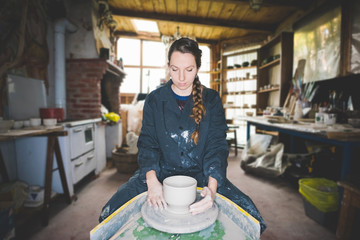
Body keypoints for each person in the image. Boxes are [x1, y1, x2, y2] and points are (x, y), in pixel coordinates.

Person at [99, 37, 266, 233]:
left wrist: (212, 190)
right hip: (159, 172)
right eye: (175, 69)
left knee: (252, 219)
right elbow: (148, 143)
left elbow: (217, 146)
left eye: (189, 70)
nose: (181, 77)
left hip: (202, 174)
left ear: (197, 69)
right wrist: (152, 183)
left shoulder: (210, 99)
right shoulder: (155, 99)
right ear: (168, 66)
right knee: (108, 215)